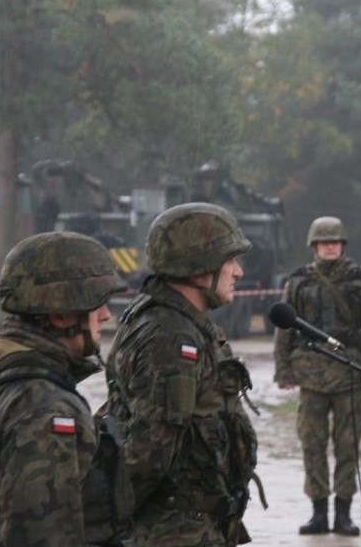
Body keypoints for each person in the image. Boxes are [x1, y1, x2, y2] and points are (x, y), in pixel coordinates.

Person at [0, 231, 131, 546]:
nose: (106, 315)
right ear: (60, 314)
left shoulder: (2, 371)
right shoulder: (44, 407)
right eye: (97, 303)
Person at [103, 202, 261, 546]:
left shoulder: (180, 324)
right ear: (200, 269)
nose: (238, 272)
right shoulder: (172, 338)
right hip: (173, 530)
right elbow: (151, 449)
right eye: (230, 261)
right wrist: (107, 524)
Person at [273, 216, 361, 536]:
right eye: (324, 242)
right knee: (312, 443)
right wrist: (283, 369)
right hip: (310, 373)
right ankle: (318, 511)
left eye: (335, 242)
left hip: (349, 371)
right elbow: (285, 330)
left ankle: (344, 512)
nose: (330, 247)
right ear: (314, 246)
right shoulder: (298, 283)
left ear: (342, 245)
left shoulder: (359, 282)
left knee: (348, 444)